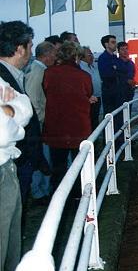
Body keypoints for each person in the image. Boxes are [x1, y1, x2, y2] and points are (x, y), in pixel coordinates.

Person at [0, 21, 50, 203]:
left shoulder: (13, 74)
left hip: (20, 157)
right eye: (30, 46)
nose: (31, 52)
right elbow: (16, 118)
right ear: (20, 49)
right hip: (14, 159)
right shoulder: (3, 77)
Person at [42, 41, 96, 196]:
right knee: (81, 167)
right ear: (77, 56)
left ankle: (59, 201)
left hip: (56, 128)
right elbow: (88, 92)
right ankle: (80, 199)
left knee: (58, 168)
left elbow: (47, 92)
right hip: (79, 128)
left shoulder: (49, 73)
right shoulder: (84, 76)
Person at [0, 78, 33, 271]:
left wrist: (9, 110)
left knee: (11, 255)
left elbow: (26, 107)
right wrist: (15, 123)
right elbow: (3, 135)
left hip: (7, 168)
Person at [25, 42, 56, 204]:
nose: (56, 57)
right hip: (38, 124)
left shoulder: (40, 70)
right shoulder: (38, 72)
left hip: (40, 122)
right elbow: (32, 100)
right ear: (47, 55)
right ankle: (38, 193)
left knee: (44, 156)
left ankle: (42, 190)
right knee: (40, 156)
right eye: (54, 54)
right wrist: (40, 121)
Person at [80, 46, 102, 130]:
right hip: (89, 99)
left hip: (97, 98)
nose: (92, 56)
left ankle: (95, 141)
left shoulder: (93, 66)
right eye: (89, 54)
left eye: (92, 54)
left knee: (95, 121)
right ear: (82, 56)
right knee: (89, 122)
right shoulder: (81, 67)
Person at [97, 35, 119, 114]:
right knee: (110, 116)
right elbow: (106, 75)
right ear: (106, 44)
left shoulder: (115, 57)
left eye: (115, 42)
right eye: (113, 42)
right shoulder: (103, 58)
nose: (115, 44)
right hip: (109, 93)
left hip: (117, 92)